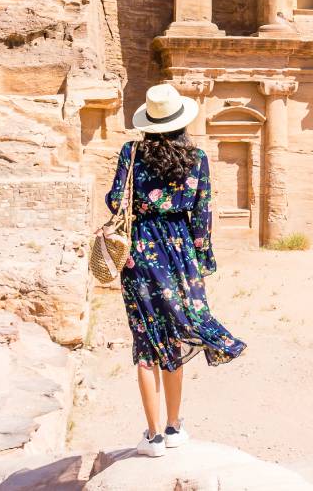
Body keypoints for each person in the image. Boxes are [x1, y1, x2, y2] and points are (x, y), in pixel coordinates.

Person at [101, 83, 246, 458]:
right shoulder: (196, 158)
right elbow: (202, 215)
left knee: (146, 341)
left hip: (139, 252)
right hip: (179, 250)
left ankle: (152, 438)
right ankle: (174, 426)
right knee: (174, 339)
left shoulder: (131, 153)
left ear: (148, 121)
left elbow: (116, 199)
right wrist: (202, 260)